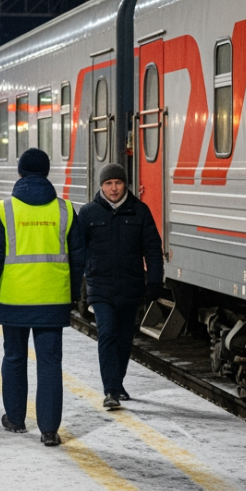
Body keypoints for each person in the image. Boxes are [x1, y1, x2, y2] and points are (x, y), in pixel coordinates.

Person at [0, 148, 85, 447]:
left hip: (14, 298)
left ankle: (15, 419)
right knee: (49, 362)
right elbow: (78, 260)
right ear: (47, 173)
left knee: (14, 357)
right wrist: (71, 295)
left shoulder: (4, 209)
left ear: (20, 172)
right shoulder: (65, 210)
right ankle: (49, 429)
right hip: (52, 299)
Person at [78, 163, 164, 409]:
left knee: (125, 338)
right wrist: (77, 285)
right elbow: (78, 252)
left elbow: (152, 250)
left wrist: (155, 282)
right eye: (108, 183)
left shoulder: (140, 211)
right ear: (101, 186)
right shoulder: (88, 213)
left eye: (117, 183)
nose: (113, 188)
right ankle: (111, 391)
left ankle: (118, 382)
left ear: (125, 184)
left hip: (131, 285)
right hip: (100, 286)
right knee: (107, 333)